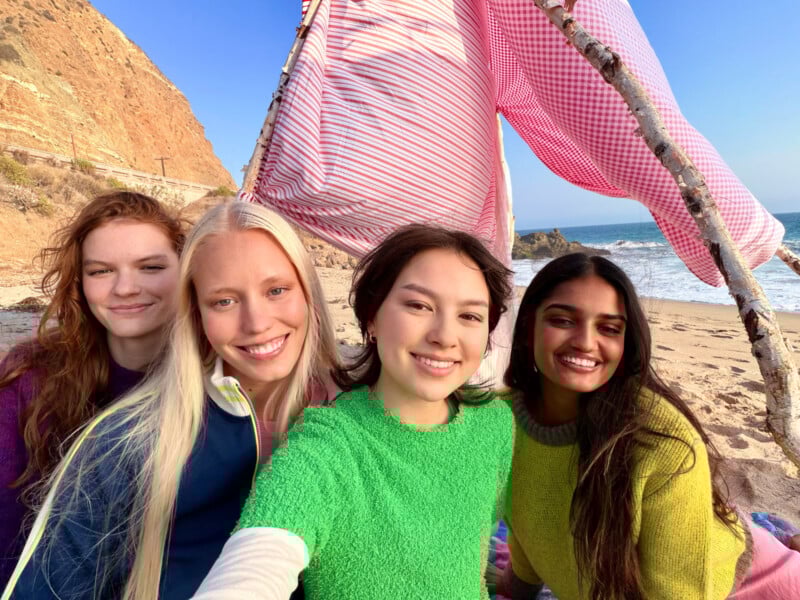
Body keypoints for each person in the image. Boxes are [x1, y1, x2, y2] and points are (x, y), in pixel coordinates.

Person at [2, 201, 344, 600]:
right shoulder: (124, 437)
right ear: (196, 310)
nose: (257, 322)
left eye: (277, 290)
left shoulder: (360, 413)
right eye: (224, 301)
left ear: (309, 292)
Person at [191, 224, 516, 599]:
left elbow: (467, 552)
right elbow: (263, 553)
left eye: (470, 316)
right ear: (372, 317)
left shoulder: (494, 423)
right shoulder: (327, 442)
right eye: (418, 306)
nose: (444, 336)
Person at [495, 253, 800, 600]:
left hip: (742, 582)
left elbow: (679, 592)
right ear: (528, 326)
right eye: (563, 320)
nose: (585, 341)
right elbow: (525, 514)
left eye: (610, 328)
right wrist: (518, 584)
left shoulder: (662, 440)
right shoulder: (501, 419)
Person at [0, 191, 184, 589]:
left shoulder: (220, 389)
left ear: (186, 270)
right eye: (101, 271)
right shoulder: (30, 379)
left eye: (150, 267)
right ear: (80, 282)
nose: (125, 288)